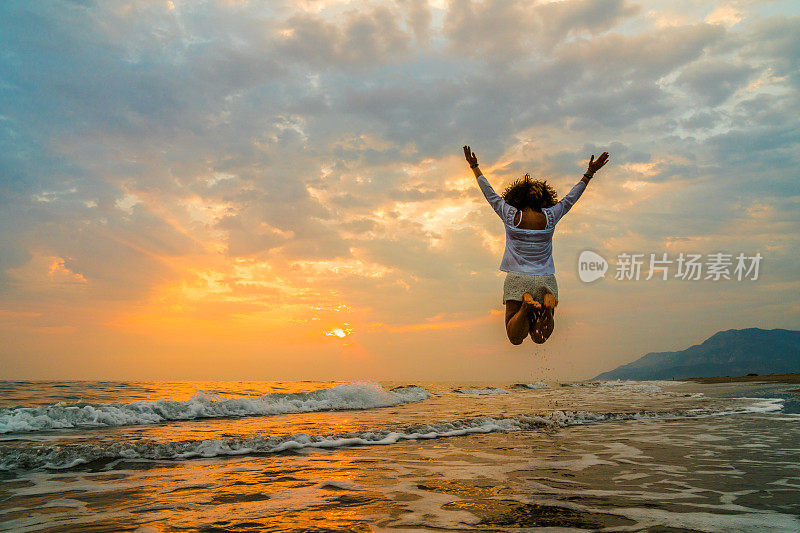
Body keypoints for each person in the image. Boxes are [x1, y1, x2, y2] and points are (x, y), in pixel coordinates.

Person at [462, 145, 609, 345]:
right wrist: (589, 173)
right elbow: (570, 199)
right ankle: (546, 309)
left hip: (517, 278)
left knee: (514, 337)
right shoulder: (550, 216)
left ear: (516, 197)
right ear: (545, 198)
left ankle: (525, 307)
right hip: (546, 279)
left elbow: (490, 195)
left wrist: (474, 166)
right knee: (540, 337)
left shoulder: (511, 215)